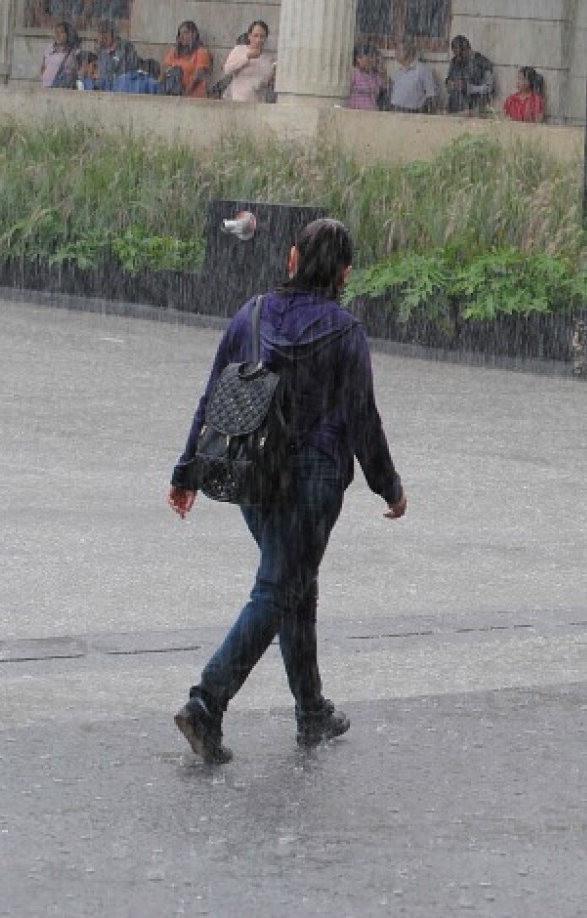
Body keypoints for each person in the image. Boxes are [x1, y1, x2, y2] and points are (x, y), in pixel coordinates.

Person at [169, 218, 409, 765]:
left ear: (292, 258)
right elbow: (362, 419)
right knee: (278, 589)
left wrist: (187, 473)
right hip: (314, 481)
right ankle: (206, 703)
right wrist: (388, 487)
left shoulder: (250, 314)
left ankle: (311, 711)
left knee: (293, 583)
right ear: (346, 273)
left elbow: (212, 400)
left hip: (254, 474)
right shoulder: (346, 333)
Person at [221, 20, 275, 103]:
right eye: (255, 36)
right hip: (238, 101)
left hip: (258, 103)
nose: (258, 40)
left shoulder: (268, 59)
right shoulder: (239, 50)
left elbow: (268, 81)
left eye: (262, 37)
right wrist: (247, 57)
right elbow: (227, 69)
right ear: (249, 36)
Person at [444, 35, 494, 115]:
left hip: (474, 109)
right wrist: (450, 84)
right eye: (455, 54)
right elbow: (449, 82)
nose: (458, 58)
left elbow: (489, 88)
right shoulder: (454, 62)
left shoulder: (483, 63)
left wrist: (468, 87)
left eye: (460, 55)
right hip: (454, 108)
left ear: (467, 50)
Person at [162, 20, 213, 99]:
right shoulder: (174, 52)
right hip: (173, 95)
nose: (181, 37)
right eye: (180, 33)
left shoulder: (201, 52)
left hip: (194, 96)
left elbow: (198, 77)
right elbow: (164, 70)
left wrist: (186, 95)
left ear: (194, 34)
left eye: (185, 33)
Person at [388, 39, 438, 114]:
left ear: (410, 52)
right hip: (395, 111)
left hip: (412, 113)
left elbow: (431, 95)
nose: (396, 53)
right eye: (396, 50)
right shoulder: (399, 71)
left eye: (399, 50)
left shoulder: (422, 69)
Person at [93, 20, 138, 90]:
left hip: (122, 89)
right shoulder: (102, 52)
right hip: (104, 91)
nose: (102, 36)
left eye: (105, 32)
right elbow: (101, 76)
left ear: (113, 34)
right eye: (100, 33)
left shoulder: (126, 47)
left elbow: (128, 72)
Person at [40, 20, 83, 89]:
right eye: (56, 32)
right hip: (46, 87)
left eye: (61, 32)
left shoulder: (75, 51)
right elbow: (43, 67)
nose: (58, 35)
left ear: (68, 34)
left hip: (64, 87)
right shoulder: (49, 48)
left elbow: (80, 70)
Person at [347, 43, 389, 111]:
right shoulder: (354, 73)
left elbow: (386, 86)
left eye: (373, 58)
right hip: (356, 112)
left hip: (372, 112)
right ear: (358, 59)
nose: (372, 61)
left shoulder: (374, 76)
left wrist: (382, 68)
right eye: (369, 58)